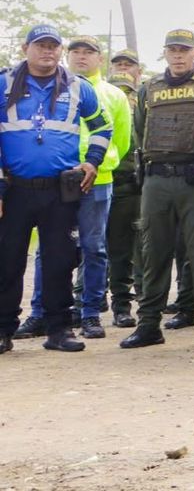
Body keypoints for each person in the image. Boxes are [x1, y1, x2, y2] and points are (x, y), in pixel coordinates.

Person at [0, 26, 113, 354]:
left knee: (60, 261)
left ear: (60, 50)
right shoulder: (4, 83)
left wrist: (92, 160)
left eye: (53, 46)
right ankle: (4, 329)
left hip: (59, 191)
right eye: (40, 46)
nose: (47, 51)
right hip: (13, 191)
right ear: (26, 48)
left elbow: (103, 127)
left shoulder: (79, 87)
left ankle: (59, 330)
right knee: (7, 260)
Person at [119, 29, 194, 351]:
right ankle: (149, 325)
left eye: (184, 50)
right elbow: (141, 133)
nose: (178, 55)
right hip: (157, 180)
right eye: (173, 49)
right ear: (165, 53)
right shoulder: (148, 89)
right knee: (153, 253)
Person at [24, 36, 130, 341]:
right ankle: (40, 314)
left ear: (100, 58)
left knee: (93, 248)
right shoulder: (54, 88)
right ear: (66, 56)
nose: (81, 57)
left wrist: (98, 163)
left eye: (89, 52)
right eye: (76, 52)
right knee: (49, 248)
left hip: (96, 181)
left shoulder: (113, 94)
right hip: (55, 181)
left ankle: (90, 313)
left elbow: (120, 140)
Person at [104, 65, 143, 329]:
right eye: (118, 90)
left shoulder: (141, 120)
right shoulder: (99, 117)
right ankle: (93, 305)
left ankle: (125, 305)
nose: (123, 96)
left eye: (128, 91)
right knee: (95, 253)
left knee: (129, 252)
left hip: (129, 190)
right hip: (99, 185)